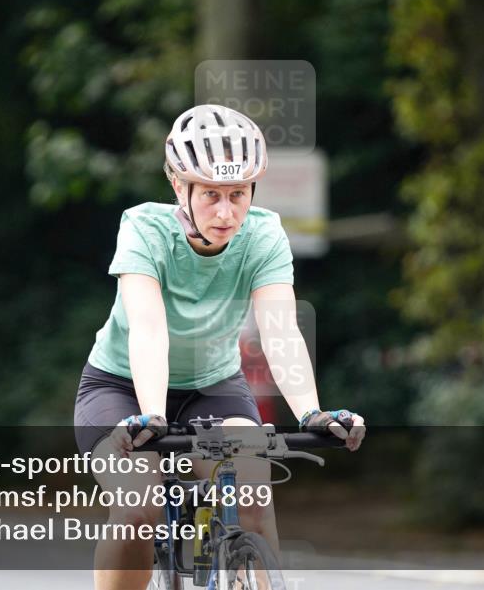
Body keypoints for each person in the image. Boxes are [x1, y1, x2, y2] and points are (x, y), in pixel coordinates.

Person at [73, 104, 366, 590]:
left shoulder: (264, 234)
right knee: (138, 506)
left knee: (252, 493)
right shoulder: (144, 229)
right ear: (178, 187)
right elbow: (148, 327)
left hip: (212, 388)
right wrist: (151, 415)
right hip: (121, 389)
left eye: (238, 194)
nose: (226, 212)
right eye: (210, 194)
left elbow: (280, 330)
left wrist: (312, 412)